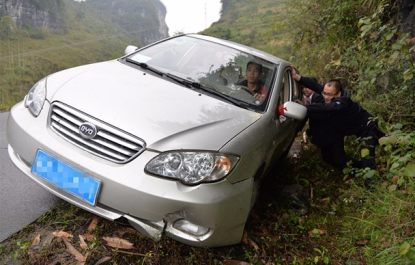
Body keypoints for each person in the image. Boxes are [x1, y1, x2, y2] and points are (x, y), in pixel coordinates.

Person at [291, 68, 384, 170]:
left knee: (369, 158)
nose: (325, 97)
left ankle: (371, 177)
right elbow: (315, 86)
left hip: (367, 127)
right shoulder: (328, 92)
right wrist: (297, 77)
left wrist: (306, 107)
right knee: (335, 159)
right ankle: (358, 167)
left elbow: (330, 107)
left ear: (338, 93)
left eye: (329, 95)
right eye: (324, 93)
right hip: (349, 129)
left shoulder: (343, 101)